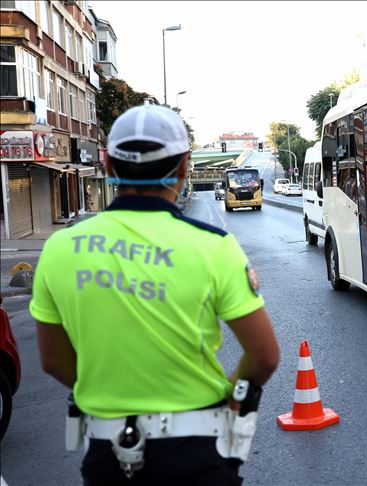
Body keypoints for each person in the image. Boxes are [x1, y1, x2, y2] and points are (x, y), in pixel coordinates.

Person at [30, 104, 280, 485]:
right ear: (183, 168)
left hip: (107, 457)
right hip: (196, 454)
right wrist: (233, 398)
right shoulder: (213, 247)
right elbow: (263, 357)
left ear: (110, 166)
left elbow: (52, 360)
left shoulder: (60, 248)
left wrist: (110, 391)